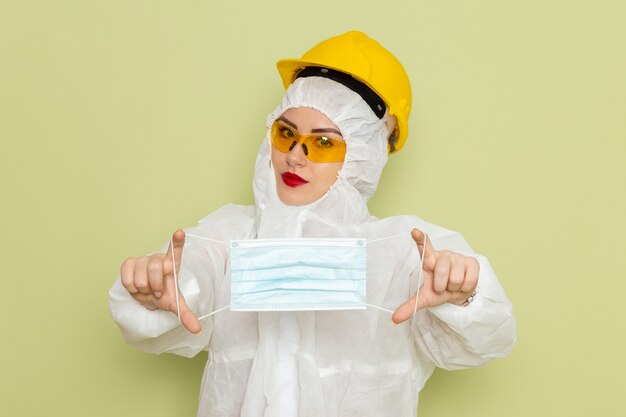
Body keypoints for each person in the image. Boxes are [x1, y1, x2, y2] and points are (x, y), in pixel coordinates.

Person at [109, 31, 516, 417]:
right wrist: (160, 289)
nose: (295, 156)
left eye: (323, 142)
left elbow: (485, 341)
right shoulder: (229, 235)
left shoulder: (406, 251)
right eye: (286, 134)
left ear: (364, 154)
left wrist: (462, 294)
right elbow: (189, 284)